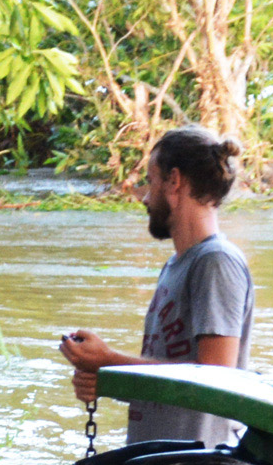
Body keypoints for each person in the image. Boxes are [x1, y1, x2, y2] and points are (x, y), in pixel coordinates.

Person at [56, 126, 256, 447]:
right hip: (159, 461)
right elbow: (169, 381)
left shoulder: (216, 262)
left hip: (197, 464)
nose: (146, 198)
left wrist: (108, 361)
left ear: (173, 181)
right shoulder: (177, 265)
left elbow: (216, 378)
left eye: (151, 182)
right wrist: (108, 379)